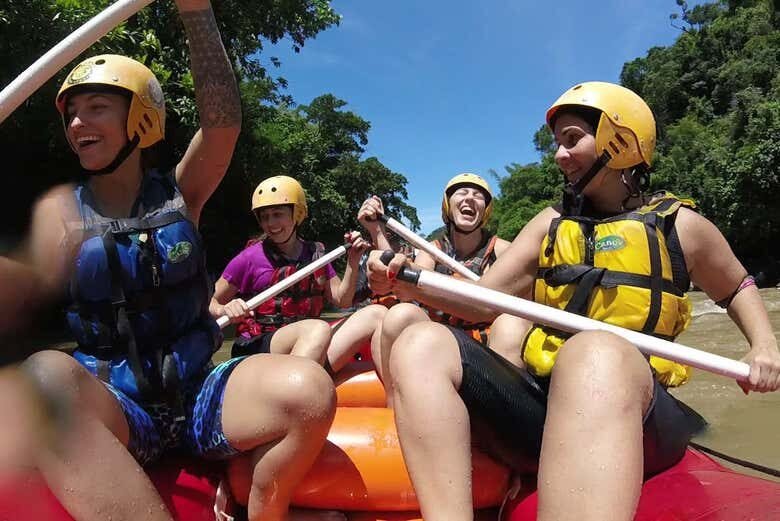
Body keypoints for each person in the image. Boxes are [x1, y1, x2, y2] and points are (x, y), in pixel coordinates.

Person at [367, 82, 780, 521]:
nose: (559, 155)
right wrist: (407, 285)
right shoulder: (548, 225)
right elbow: (482, 302)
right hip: (543, 413)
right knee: (420, 342)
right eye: (557, 143)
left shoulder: (681, 226)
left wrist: (763, 345)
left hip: (635, 417)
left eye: (572, 140)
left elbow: (737, 287)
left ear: (620, 142)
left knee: (593, 350)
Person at [18, 2, 338, 520]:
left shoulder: (179, 194)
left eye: (96, 106)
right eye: (71, 113)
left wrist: (196, 12)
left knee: (310, 393)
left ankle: (265, 509)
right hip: (118, 404)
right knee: (43, 375)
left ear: (140, 115)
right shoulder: (57, 214)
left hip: (199, 394)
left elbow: (222, 126)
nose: (78, 122)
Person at [357, 174, 514, 406]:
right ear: (447, 205)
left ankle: (501, 409)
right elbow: (405, 283)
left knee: (510, 324)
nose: (470, 198)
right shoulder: (431, 250)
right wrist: (377, 231)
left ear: (486, 209)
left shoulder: (504, 250)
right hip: (441, 344)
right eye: (461, 193)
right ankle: (395, 405)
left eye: (478, 195)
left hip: (490, 347)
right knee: (400, 315)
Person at [209, 175, 386, 375]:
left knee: (377, 314)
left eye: (278, 214)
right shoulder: (248, 258)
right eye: (264, 216)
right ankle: (289, 395)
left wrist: (353, 261)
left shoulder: (316, 256)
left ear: (297, 214)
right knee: (316, 329)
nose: (271, 223)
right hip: (259, 348)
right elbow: (209, 302)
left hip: (310, 342)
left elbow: (342, 300)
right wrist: (225, 309)